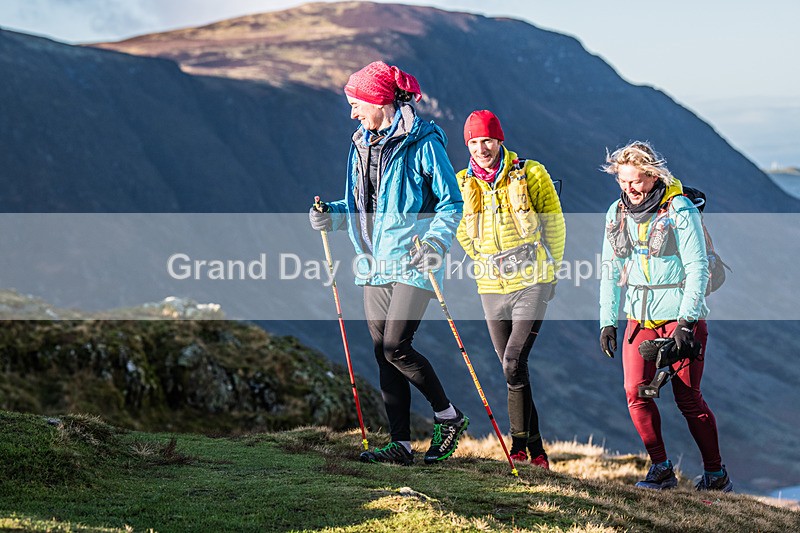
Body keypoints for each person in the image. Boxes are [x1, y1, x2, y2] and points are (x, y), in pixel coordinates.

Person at [309, 61, 468, 466]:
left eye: (356, 103)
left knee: (397, 346)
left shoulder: (423, 143)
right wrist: (333, 214)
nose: (352, 112)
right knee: (382, 352)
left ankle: (448, 416)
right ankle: (399, 445)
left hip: (415, 262)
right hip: (372, 264)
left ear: (379, 100)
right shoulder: (360, 142)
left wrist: (434, 241)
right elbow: (363, 206)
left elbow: (451, 202)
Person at [599, 140, 733, 492]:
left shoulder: (680, 210)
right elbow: (610, 270)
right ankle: (661, 468)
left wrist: (687, 323)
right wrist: (607, 321)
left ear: (654, 175)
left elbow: (697, 266)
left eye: (637, 181)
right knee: (635, 392)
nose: (631, 189)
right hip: (638, 319)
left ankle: (715, 475)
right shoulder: (616, 213)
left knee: (688, 398)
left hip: (680, 320)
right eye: (624, 182)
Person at [455, 110, 565, 469]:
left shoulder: (531, 172)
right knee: (512, 369)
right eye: (473, 142)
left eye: (487, 140)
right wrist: (481, 256)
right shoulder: (462, 182)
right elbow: (458, 228)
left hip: (531, 281)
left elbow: (554, 223)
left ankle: (518, 446)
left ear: (499, 140)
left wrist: (551, 274)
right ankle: (539, 454)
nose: (481, 148)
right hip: (490, 286)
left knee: (514, 360)